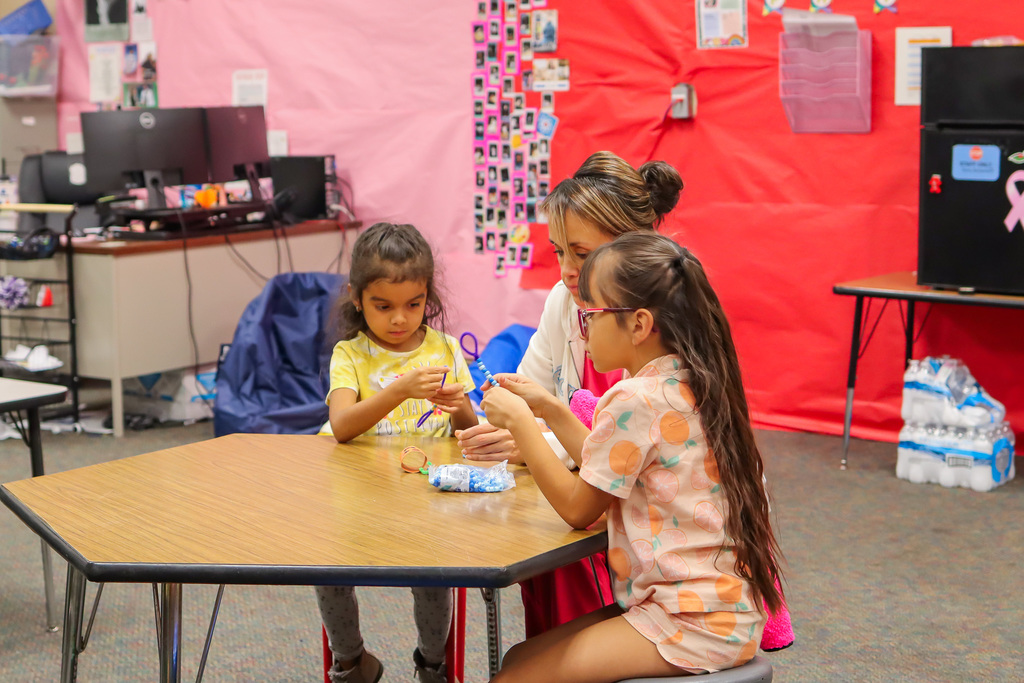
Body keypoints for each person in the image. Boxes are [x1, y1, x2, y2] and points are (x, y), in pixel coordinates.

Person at [480, 232, 785, 682]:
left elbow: (578, 508)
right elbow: (608, 462)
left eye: (591, 315)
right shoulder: (686, 381)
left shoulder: (633, 399)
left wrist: (523, 423)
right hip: (720, 611)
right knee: (518, 661)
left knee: (512, 678)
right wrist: (549, 408)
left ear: (639, 324)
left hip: (688, 622)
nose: (584, 328)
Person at [455, 150, 684, 637]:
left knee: (530, 659)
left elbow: (615, 464)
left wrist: (536, 438)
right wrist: (505, 429)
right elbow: (528, 396)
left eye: (581, 254)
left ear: (632, 247)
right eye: (559, 252)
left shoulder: (664, 338)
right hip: (605, 515)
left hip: (655, 549)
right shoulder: (567, 303)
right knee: (541, 584)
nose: (565, 270)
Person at [316, 222, 478, 683]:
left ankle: (432, 664)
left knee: (432, 578)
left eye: (414, 305)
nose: (400, 319)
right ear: (356, 297)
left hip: (424, 500)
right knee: (325, 569)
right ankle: (351, 662)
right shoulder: (350, 354)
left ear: (429, 295)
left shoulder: (445, 349)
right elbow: (343, 426)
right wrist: (401, 390)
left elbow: (469, 432)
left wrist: (461, 406)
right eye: (383, 307)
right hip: (357, 499)